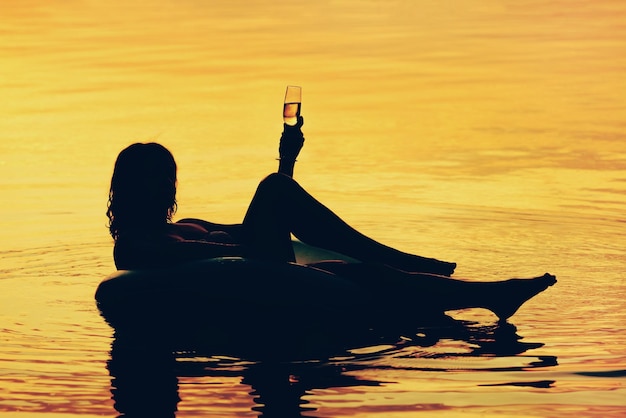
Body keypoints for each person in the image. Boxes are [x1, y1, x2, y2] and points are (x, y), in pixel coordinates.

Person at [106, 117, 556, 321]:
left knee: (369, 274)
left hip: (263, 262)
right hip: (254, 270)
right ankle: (416, 261)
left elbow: (254, 231)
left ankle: (495, 295)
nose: (165, 186)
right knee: (273, 188)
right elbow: (239, 245)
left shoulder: (185, 221)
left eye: (167, 176)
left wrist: (287, 160)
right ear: (129, 187)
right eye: (154, 178)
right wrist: (267, 222)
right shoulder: (134, 243)